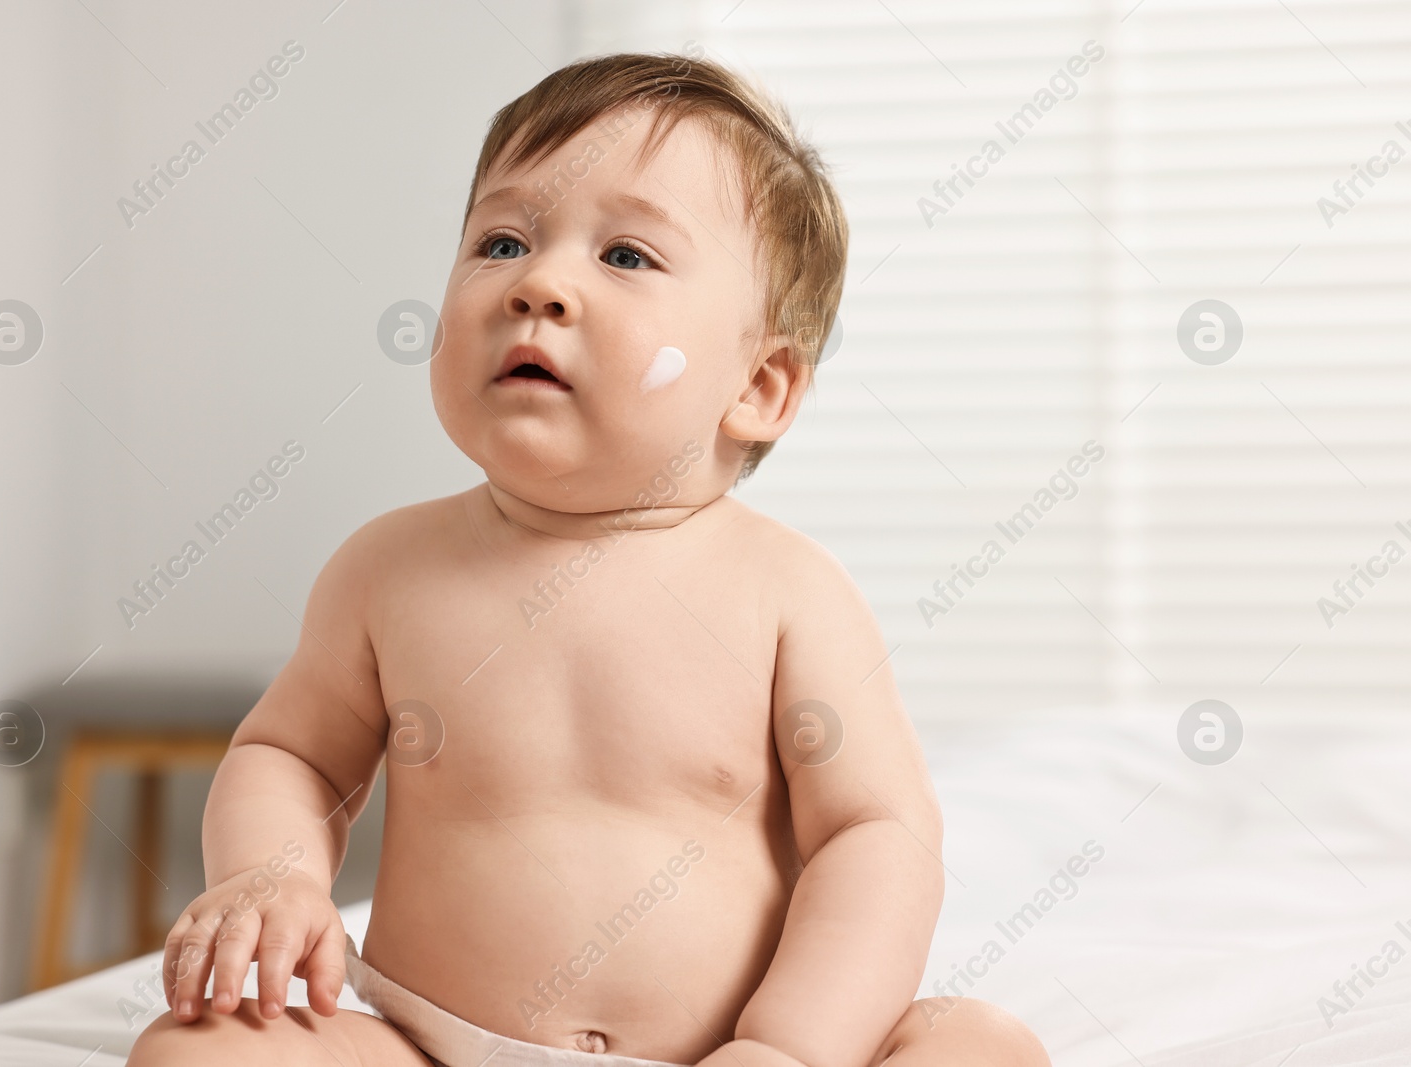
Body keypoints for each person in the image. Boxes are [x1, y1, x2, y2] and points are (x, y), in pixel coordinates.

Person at [128, 49, 1049, 1067]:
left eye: (625, 256)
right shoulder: (387, 571)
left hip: (721, 1050)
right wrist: (275, 872)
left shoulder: (789, 591)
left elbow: (877, 836)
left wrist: (791, 1046)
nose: (540, 283)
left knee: (978, 1042)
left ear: (759, 386)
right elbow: (288, 755)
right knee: (198, 1047)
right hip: (432, 1044)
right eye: (503, 239)